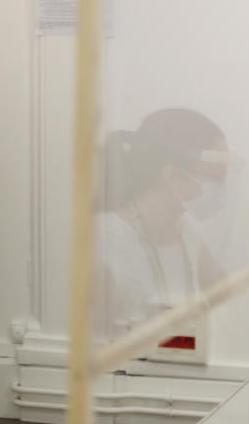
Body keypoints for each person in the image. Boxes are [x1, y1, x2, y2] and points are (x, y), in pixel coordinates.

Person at [97, 108, 231, 344]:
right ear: (171, 175)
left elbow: (227, 295)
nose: (220, 188)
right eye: (214, 177)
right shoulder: (104, 241)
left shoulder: (185, 230)